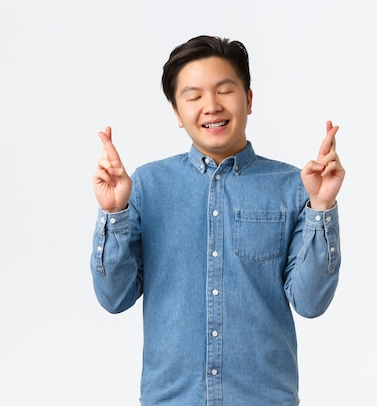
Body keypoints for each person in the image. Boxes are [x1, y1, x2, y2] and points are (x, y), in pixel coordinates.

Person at [90, 35, 345, 406]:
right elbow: (114, 298)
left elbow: (311, 302)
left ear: (249, 99)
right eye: (193, 97)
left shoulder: (293, 186)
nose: (211, 106)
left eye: (225, 90)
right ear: (177, 113)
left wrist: (321, 205)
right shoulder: (144, 185)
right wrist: (114, 213)